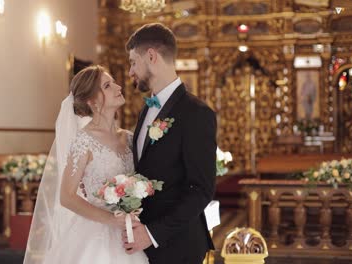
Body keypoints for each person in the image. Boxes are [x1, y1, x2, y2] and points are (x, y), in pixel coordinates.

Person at [23, 65, 149, 264]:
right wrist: (110, 220)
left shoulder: (130, 138)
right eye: (108, 86)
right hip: (95, 235)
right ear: (93, 102)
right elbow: (66, 196)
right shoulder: (84, 141)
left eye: (114, 82)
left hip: (130, 232)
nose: (118, 87)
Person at [123, 23, 217, 264]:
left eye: (133, 62)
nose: (130, 72)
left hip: (178, 246)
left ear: (151, 56)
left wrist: (152, 233)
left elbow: (201, 190)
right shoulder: (146, 109)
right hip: (142, 245)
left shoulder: (196, 113)